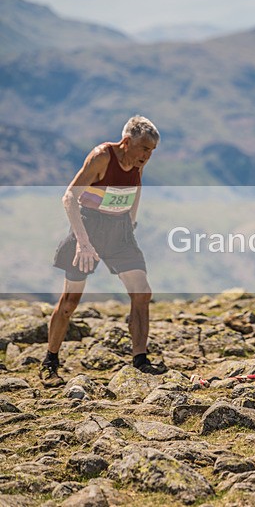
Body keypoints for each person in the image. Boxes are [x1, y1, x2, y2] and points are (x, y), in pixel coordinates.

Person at [41, 115, 164, 387]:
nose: (147, 156)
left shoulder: (138, 162)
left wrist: (131, 222)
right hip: (88, 227)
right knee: (70, 301)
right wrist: (83, 243)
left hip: (120, 231)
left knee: (142, 292)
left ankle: (140, 359)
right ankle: (50, 361)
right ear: (126, 142)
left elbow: (137, 186)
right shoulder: (102, 157)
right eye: (144, 148)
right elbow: (69, 197)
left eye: (152, 151)